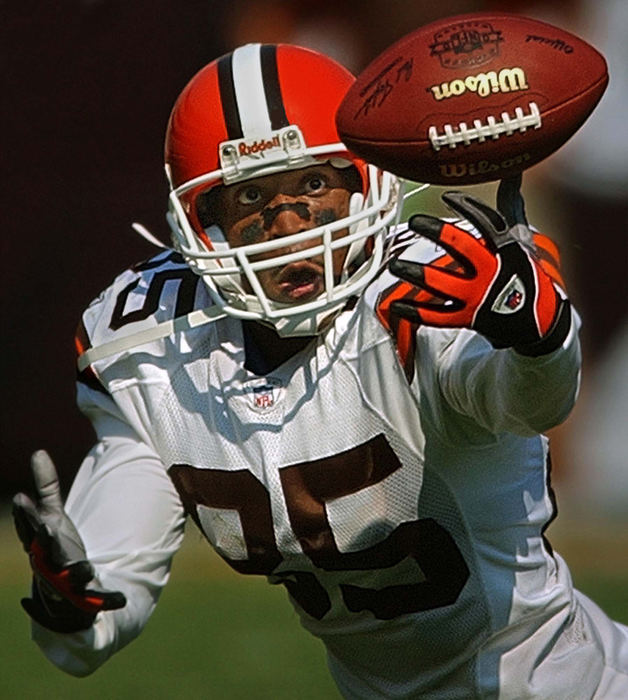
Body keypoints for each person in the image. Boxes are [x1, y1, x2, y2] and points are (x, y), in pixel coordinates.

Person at [13, 42, 628, 698]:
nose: (288, 221)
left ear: (367, 179)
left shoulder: (427, 286)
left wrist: (539, 338)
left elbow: (529, 403)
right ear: (200, 219)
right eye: (250, 195)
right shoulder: (148, 346)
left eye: (312, 183)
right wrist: (67, 606)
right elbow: (91, 622)